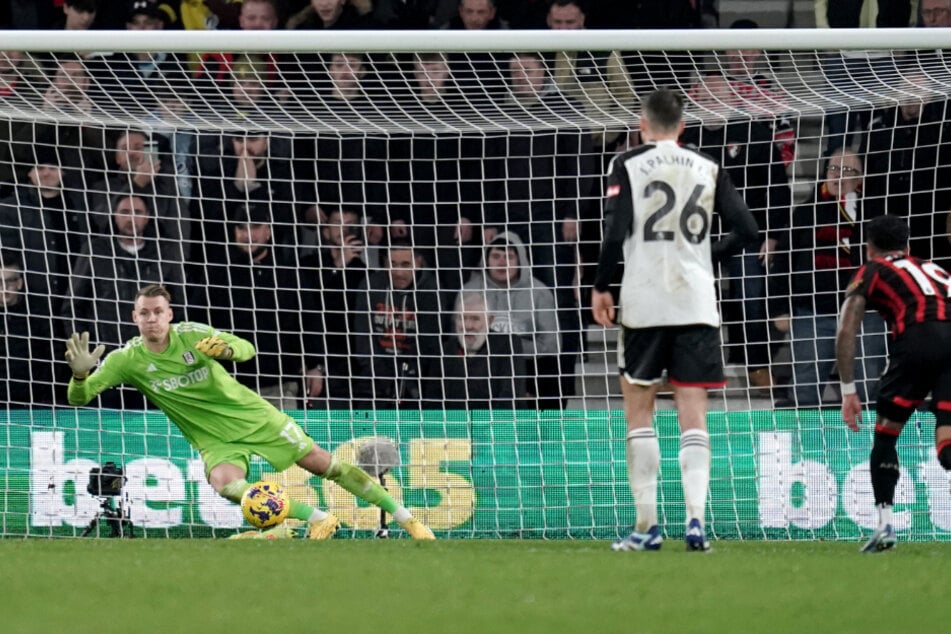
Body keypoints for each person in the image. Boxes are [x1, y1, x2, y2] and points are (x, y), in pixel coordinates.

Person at [64, 283, 435, 540]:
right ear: (134, 317)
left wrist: (225, 351)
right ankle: (317, 518)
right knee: (226, 486)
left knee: (327, 465)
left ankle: (410, 520)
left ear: (169, 314)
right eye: (144, 313)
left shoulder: (192, 334)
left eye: (158, 312)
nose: (152, 319)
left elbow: (246, 348)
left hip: (253, 417)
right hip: (212, 438)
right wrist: (81, 375)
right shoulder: (126, 360)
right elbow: (79, 398)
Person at [590, 89, 758, 552]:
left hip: (645, 301)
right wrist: (708, 255)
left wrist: (602, 285)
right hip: (696, 301)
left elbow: (615, 228)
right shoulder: (709, 166)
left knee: (639, 412)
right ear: (682, 127)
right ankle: (696, 522)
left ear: (643, 125)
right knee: (693, 414)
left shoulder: (627, 163)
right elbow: (748, 231)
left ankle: (646, 527)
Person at [835, 214, 951, 552]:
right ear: (907, 245)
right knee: (947, 446)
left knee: (885, 437)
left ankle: (885, 526)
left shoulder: (871, 270)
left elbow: (846, 329)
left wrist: (847, 391)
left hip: (917, 340)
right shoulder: (936, 269)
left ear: (869, 248)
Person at [779, 148, 888, 407]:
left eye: (848, 171)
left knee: (868, 387)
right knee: (804, 389)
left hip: (867, 315)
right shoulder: (805, 212)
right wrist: (781, 308)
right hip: (814, 314)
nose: (839, 176)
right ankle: (805, 446)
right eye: (834, 169)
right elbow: (784, 262)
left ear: (861, 179)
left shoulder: (876, 214)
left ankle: (868, 446)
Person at [463, 232, 560, 409]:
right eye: (496, 256)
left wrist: (510, 349)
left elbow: (551, 344)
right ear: (486, 259)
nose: (502, 262)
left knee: (549, 367)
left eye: (509, 256)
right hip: (483, 364)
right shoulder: (469, 291)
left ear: (520, 260)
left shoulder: (540, 292)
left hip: (528, 364)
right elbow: (460, 336)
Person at [351, 240, 443, 409]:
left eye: (406, 264)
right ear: (385, 263)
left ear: (418, 262)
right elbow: (363, 339)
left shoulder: (431, 290)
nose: (399, 272)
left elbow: (428, 344)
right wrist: (383, 379)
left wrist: (406, 381)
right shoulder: (371, 285)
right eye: (393, 264)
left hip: (416, 380)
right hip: (374, 375)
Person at [426, 290, 526, 409]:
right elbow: (432, 402)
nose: (467, 326)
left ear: (489, 321)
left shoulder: (508, 345)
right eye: (462, 318)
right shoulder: (444, 351)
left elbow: (510, 396)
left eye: (475, 319)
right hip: (453, 425)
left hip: (498, 424)